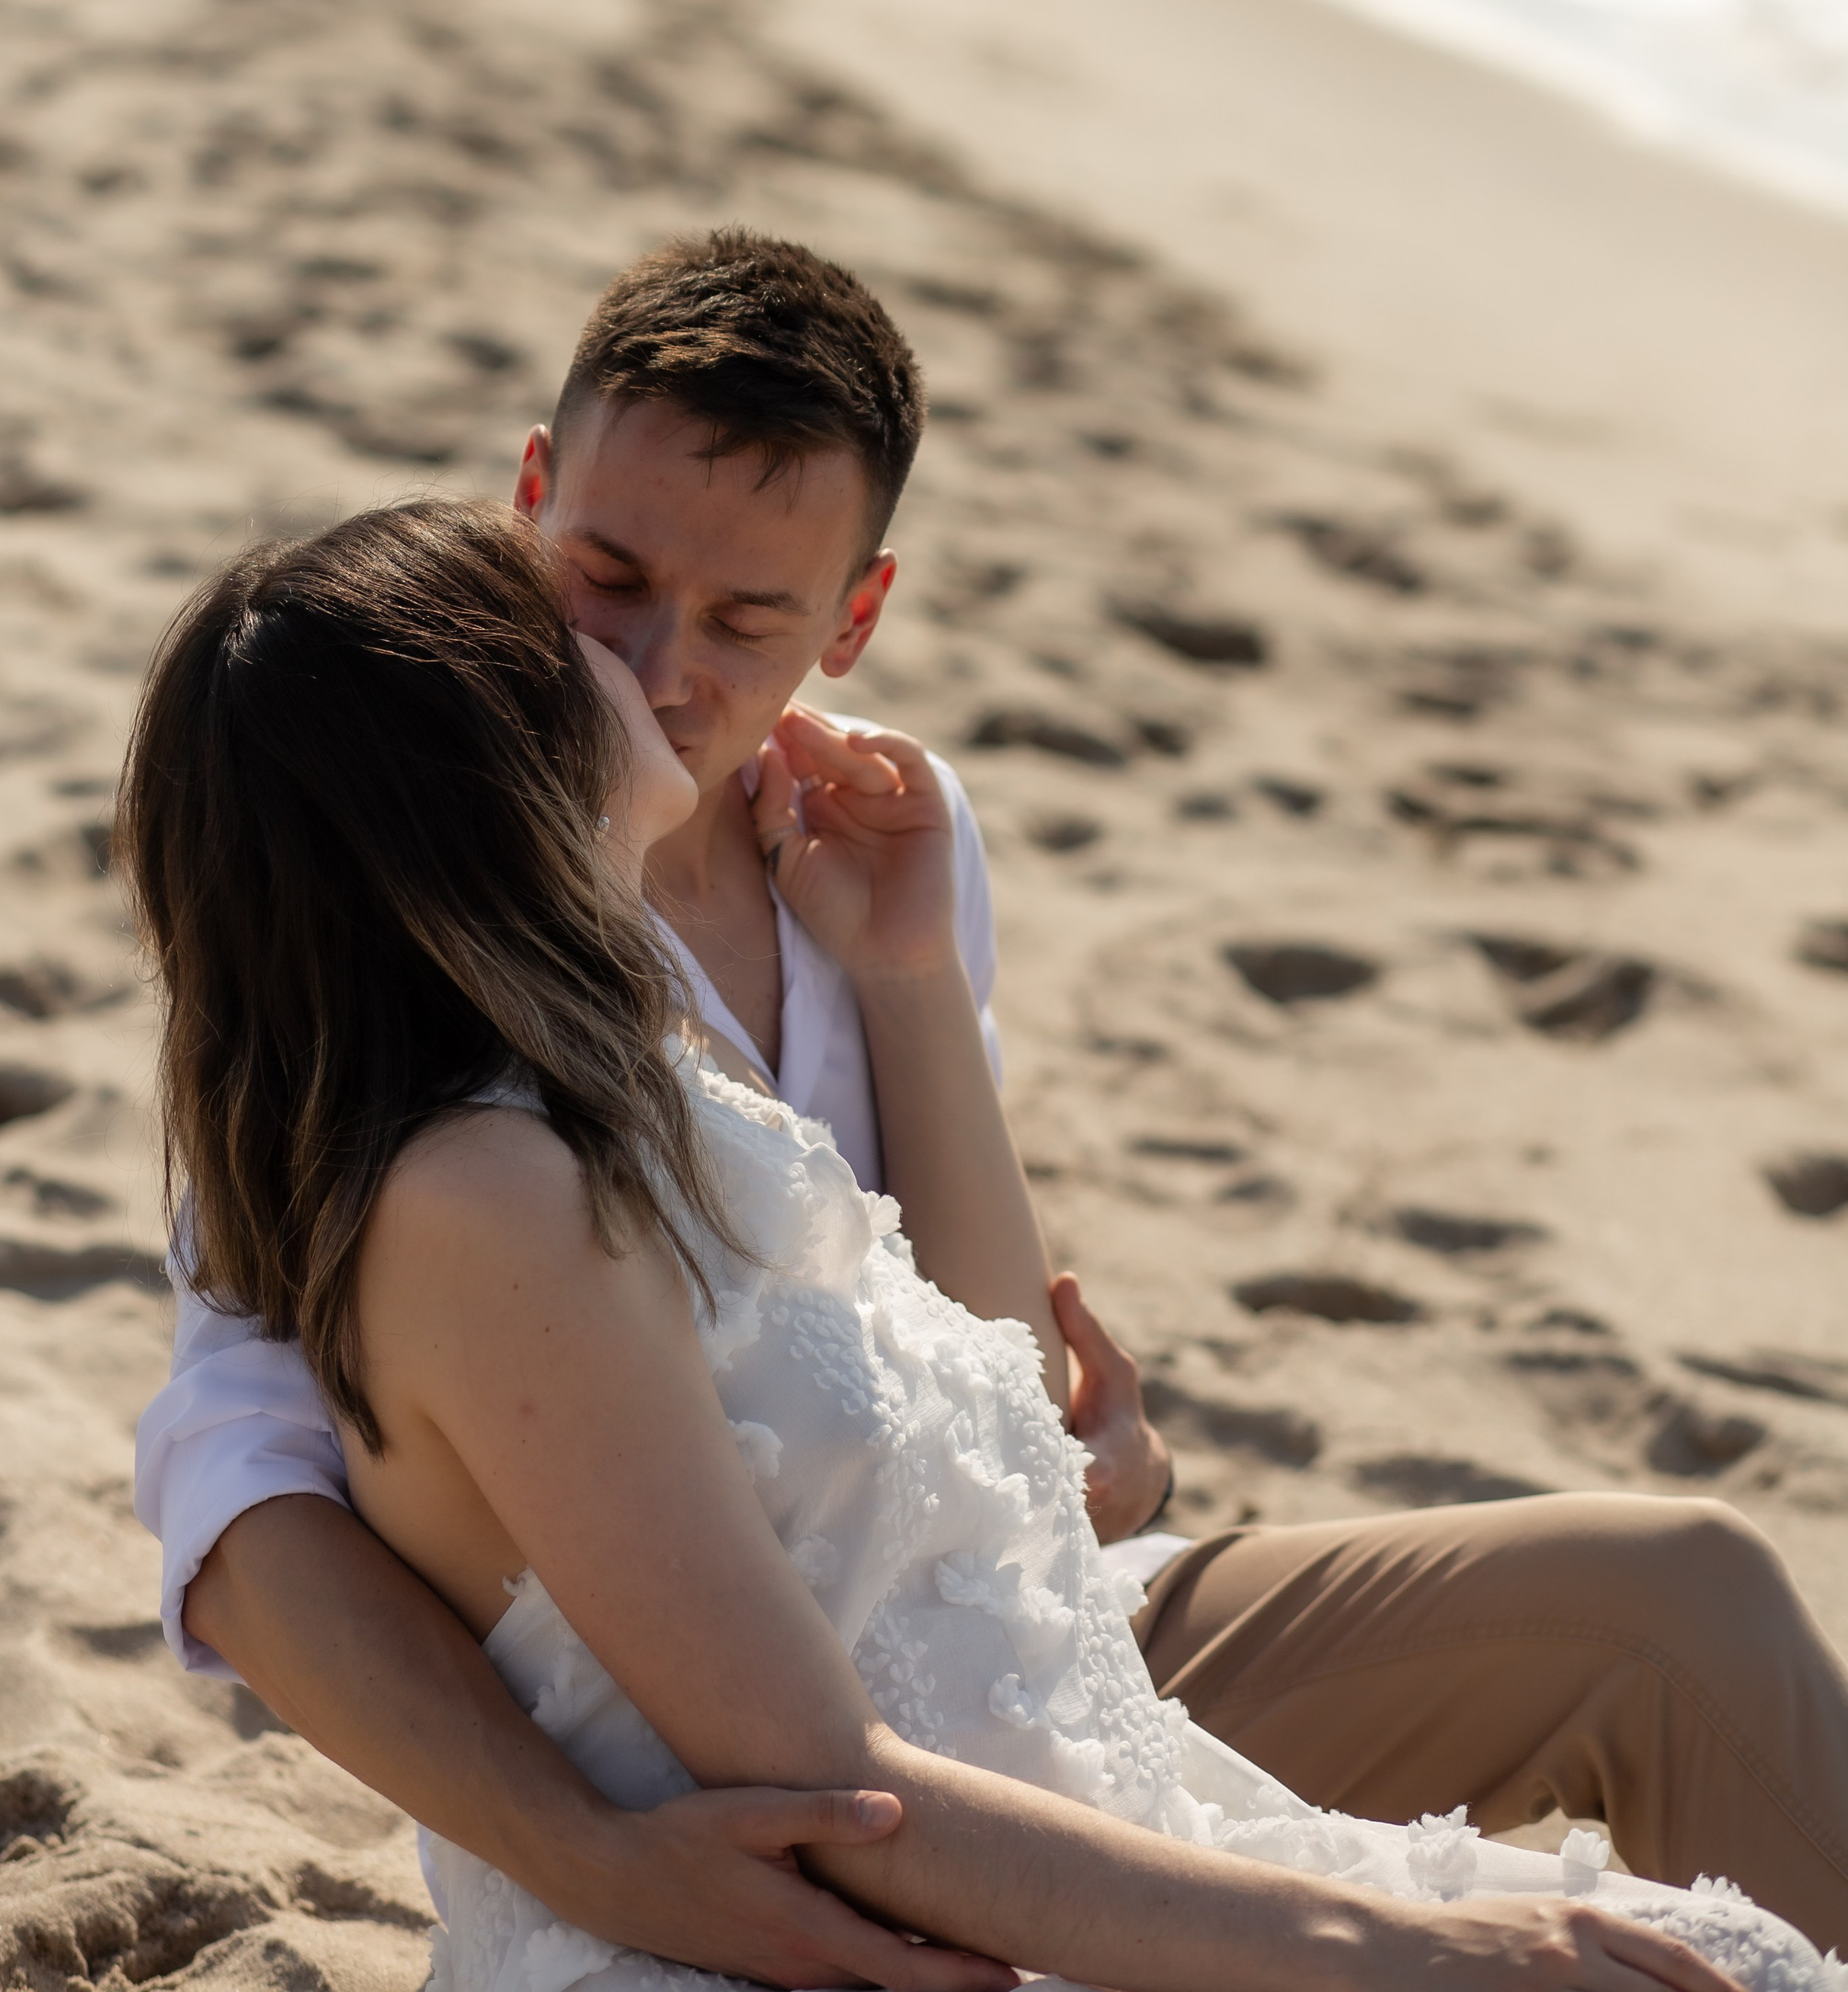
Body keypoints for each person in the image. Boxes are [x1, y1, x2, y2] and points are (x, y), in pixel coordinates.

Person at [133, 233, 1848, 1975]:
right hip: (751, 1756)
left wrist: (908, 993)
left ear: (851, 619)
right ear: (527, 504)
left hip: (1016, 1629)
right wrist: (584, 1852)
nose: (664, 668)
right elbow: (241, 1482)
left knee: (1681, 1602)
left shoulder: (882, 838)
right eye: (606, 576)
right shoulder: (385, 911)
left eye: (745, 620)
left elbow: (982, 1374)